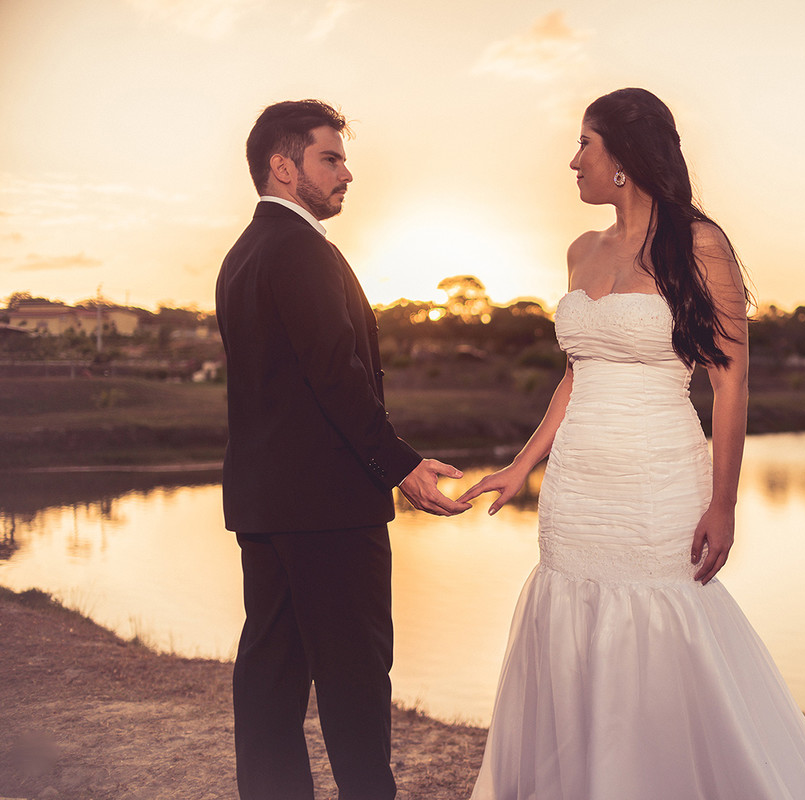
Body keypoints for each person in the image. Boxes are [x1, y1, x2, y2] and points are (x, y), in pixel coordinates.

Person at [459, 88, 805, 799]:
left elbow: (731, 381)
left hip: (658, 484)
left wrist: (724, 505)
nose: (573, 161)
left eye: (584, 144)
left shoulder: (698, 245)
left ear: (623, 154)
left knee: (659, 630)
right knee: (572, 623)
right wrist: (521, 467)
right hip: (578, 490)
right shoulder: (580, 250)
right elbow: (573, 378)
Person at [215, 99, 470, 800]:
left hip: (267, 505)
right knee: (355, 678)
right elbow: (335, 373)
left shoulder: (243, 254)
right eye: (330, 158)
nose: (346, 173)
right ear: (282, 165)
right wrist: (402, 465)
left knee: (270, 676)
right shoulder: (299, 249)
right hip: (328, 508)